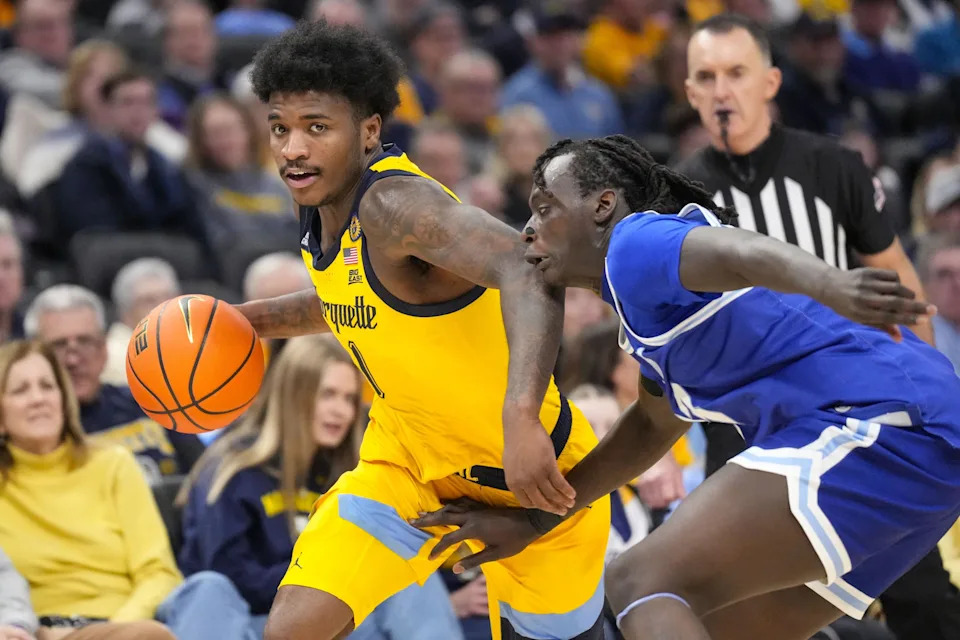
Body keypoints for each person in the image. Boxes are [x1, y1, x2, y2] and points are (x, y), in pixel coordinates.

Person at [411, 134, 960, 640]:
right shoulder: (647, 315)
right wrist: (536, 520)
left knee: (636, 583)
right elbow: (649, 426)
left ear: (603, 206)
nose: (528, 227)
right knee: (715, 625)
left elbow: (738, 253)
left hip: (880, 418)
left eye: (545, 206)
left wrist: (830, 282)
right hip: (929, 449)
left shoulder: (632, 244)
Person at [233, 20, 609, 640]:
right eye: (281, 128)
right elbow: (350, 300)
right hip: (408, 465)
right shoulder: (319, 205)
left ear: (370, 130)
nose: (293, 149)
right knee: (292, 628)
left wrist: (520, 418)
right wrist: (244, 323)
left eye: (316, 128)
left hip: (534, 480)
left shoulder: (394, 206)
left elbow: (526, 263)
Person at [675, 15, 960, 636]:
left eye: (737, 73)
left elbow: (898, 279)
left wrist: (931, 389)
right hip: (741, 415)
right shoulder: (675, 195)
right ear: (690, 92)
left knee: (921, 592)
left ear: (771, 81)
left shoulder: (833, 166)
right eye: (707, 77)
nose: (723, 90)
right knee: (735, 599)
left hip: (857, 402)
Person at [177, 333, 464, 639]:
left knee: (400, 570)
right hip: (251, 621)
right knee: (210, 588)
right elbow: (226, 577)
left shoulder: (354, 470)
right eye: (328, 395)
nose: (341, 411)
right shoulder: (231, 468)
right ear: (293, 395)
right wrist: (319, 580)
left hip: (326, 616)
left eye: (349, 399)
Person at [0, 340, 256, 640]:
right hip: (45, 631)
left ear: (63, 398)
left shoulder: (113, 463)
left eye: (48, 386)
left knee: (210, 590)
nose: (38, 399)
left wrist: (117, 628)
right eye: (20, 390)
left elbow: (158, 573)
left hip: (135, 624)